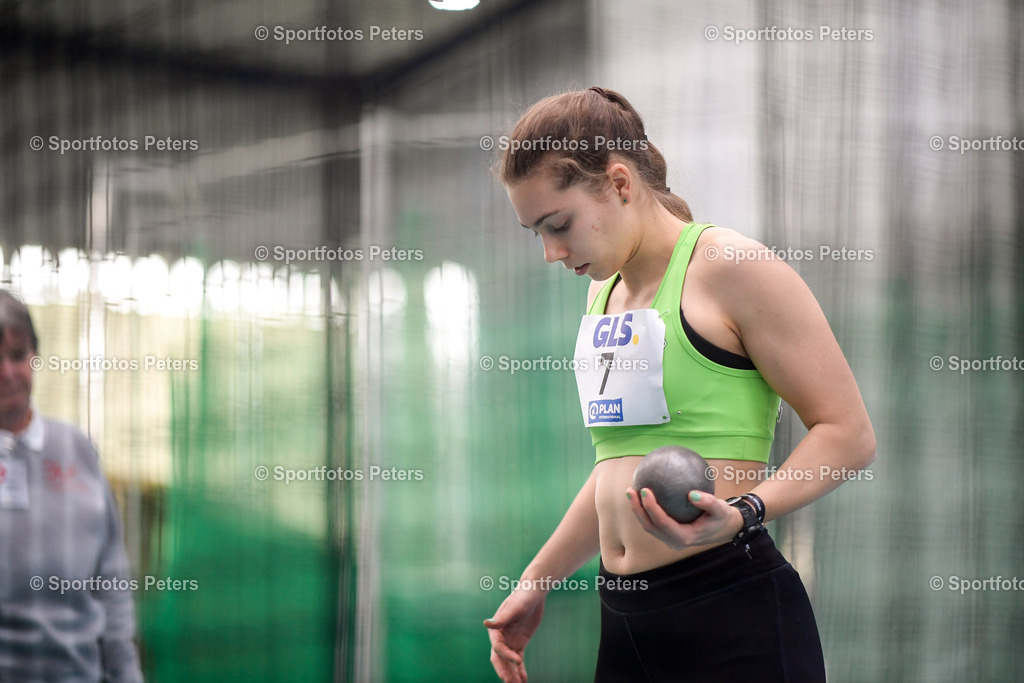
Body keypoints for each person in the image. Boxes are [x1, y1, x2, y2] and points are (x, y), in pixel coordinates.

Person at [484, 87, 876, 682]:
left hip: (730, 612)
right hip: (625, 618)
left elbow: (848, 434)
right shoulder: (603, 293)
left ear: (620, 184)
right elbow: (615, 467)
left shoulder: (733, 268)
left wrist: (746, 510)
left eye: (558, 224)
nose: (550, 252)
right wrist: (535, 582)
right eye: (534, 231)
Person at [0, 290, 144, 682]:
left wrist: (125, 671)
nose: (8, 373)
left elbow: (111, 577)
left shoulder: (76, 449)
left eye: (17, 355)